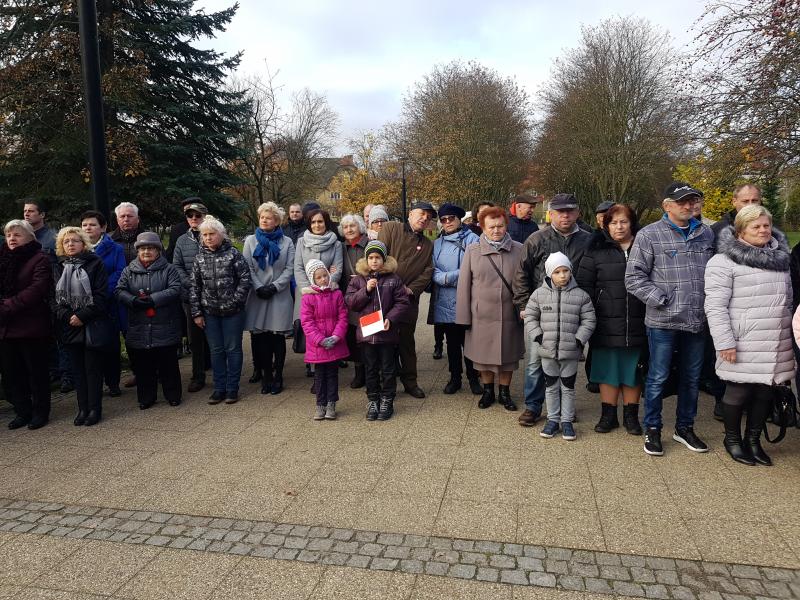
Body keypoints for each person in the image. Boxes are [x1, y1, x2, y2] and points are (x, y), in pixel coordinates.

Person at [625, 182, 715, 456]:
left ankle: (684, 428)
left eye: (692, 201)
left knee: (691, 377)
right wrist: (662, 299)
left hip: (697, 320)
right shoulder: (649, 235)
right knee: (658, 376)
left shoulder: (706, 234)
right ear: (667, 206)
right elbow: (634, 278)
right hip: (663, 321)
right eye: (682, 202)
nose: (688, 206)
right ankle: (653, 428)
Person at [705, 205, 793, 466]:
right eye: (756, 226)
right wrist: (725, 342)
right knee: (738, 392)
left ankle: (753, 441)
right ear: (741, 230)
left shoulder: (781, 259)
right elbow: (715, 306)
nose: (763, 230)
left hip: (777, 339)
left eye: (766, 225)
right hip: (743, 339)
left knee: (766, 391)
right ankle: (732, 440)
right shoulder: (723, 262)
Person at [513, 193, 592, 427]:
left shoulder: (588, 240)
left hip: (572, 311)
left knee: (567, 361)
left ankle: (563, 409)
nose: (565, 215)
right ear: (551, 214)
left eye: (570, 210)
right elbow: (521, 274)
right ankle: (533, 406)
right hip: (542, 312)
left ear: (577, 213)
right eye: (559, 211)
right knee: (536, 362)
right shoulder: (537, 239)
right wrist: (524, 305)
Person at [576, 204, 646, 435]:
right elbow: (585, 286)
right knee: (607, 370)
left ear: (631, 223)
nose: (619, 226)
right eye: (613, 222)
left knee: (633, 371)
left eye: (623, 222)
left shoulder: (645, 247)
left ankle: (631, 417)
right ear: (606, 225)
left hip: (638, 320)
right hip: (605, 320)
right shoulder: (595, 250)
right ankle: (608, 416)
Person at [456, 206, 525, 410]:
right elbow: (464, 285)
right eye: (491, 227)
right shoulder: (473, 250)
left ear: (506, 225)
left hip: (509, 314)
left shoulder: (519, 249)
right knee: (483, 356)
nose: (496, 230)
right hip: (481, 314)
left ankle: (504, 392)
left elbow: (523, 283)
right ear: (483, 228)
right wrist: (463, 317)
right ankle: (488, 391)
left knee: (509, 357)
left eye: (500, 226)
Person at [526, 252, 596, 440]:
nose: (563, 275)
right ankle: (552, 420)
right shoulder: (539, 295)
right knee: (550, 387)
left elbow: (589, 320)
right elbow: (531, 317)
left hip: (570, 352)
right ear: (549, 274)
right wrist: (538, 336)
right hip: (547, 352)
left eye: (566, 271)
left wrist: (579, 340)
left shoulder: (581, 296)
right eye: (558, 272)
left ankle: (566, 421)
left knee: (568, 387)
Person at [115, 232, 183, 409]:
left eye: (151, 248)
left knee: (168, 363)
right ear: (138, 251)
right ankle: (146, 397)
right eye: (143, 248)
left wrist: (154, 299)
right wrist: (133, 300)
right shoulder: (129, 270)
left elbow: (175, 289)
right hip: (139, 324)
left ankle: (173, 394)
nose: (146, 251)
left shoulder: (169, 269)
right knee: (144, 365)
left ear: (158, 251)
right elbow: (119, 290)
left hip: (164, 323)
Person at [346, 241, 411, 420]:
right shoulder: (358, 279)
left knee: (388, 369)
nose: (374, 261)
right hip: (367, 335)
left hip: (386, 334)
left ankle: (387, 399)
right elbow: (351, 302)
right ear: (366, 260)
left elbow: (402, 302)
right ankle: (373, 399)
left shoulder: (393, 279)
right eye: (371, 258)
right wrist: (365, 290)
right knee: (371, 369)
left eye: (378, 258)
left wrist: (391, 318)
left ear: (384, 259)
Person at [53, 226, 112, 426]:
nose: (70, 244)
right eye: (66, 241)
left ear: (83, 243)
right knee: (77, 370)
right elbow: (54, 300)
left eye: (75, 241)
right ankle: (82, 408)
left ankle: (95, 409)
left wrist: (82, 315)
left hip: (91, 323)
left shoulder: (95, 264)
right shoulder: (58, 266)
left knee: (92, 369)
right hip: (68, 324)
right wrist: (69, 315)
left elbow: (102, 296)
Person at [190, 216, 251, 405]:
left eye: (211, 234)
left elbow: (245, 279)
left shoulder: (233, 254)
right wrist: (197, 313)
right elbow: (194, 286)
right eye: (205, 235)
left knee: (232, 349)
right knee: (216, 351)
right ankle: (219, 388)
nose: (208, 238)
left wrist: (235, 301)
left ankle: (232, 388)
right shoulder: (199, 258)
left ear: (221, 235)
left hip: (233, 312)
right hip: (210, 312)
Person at [378, 202, 435, 398]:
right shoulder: (391, 228)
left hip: (408, 301)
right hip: (384, 298)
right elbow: (378, 256)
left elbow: (428, 270)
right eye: (421, 214)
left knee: (407, 344)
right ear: (410, 214)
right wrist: (389, 285)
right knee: (383, 342)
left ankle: (410, 382)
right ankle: (386, 382)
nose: (424, 219)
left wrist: (411, 289)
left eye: (428, 217)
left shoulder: (428, 244)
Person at [0, 220, 52, 430]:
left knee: (36, 372)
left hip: (31, 326)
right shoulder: (2, 258)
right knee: (12, 373)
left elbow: (37, 288)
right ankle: (22, 411)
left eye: (17, 235)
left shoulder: (40, 259)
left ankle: (40, 412)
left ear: (30, 237)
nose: (12, 239)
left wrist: (9, 306)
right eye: (9, 235)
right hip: (5, 327)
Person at [243, 202, 295, 395]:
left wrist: (275, 286)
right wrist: (258, 286)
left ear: (277, 221)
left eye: (269, 217)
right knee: (262, 338)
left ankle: (278, 376)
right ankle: (266, 375)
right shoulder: (250, 241)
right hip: (258, 296)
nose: (264, 220)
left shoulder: (287, 242)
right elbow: (246, 266)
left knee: (277, 338)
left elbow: (290, 268)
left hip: (278, 295)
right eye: (262, 217)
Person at [431, 203, 481, 394]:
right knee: (451, 343)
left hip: (467, 298)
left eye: (451, 218)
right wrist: (444, 277)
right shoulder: (437, 243)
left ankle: (473, 378)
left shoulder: (473, 239)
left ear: (459, 219)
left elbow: (474, 268)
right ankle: (455, 378)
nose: (447, 222)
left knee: (468, 341)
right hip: (444, 300)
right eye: (443, 220)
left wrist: (447, 277)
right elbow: (433, 270)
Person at [81, 210, 126, 397]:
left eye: (92, 224)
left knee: (110, 345)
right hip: (84, 305)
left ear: (103, 227)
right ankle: (93, 384)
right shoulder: (78, 248)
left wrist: (99, 294)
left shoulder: (115, 249)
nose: (88, 228)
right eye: (84, 225)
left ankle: (113, 381)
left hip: (107, 304)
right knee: (89, 346)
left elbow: (119, 273)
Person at [293, 208, 343, 377]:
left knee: (328, 328)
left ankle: (329, 364)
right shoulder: (301, 242)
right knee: (311, 329)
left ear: (326, 222)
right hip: (308, 295)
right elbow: (298, 268)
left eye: (320, 221)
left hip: (328, 295)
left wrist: (326, 283)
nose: (317, 225)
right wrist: (310, 288)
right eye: (313, 222)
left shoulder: (335, 243)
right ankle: (313, 368)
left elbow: (337, 269)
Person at [300, 260, 349, 420]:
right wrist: (320, 340)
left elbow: (343, 317)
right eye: (319, 277)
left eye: (324, 276)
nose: (323, 280)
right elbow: (307, 322)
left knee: (333, 375)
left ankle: (331, 404)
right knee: (319, 376)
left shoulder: (337, 294)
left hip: (334, 342)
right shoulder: (308, 298)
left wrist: (336, 336)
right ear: (313, 279)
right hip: (318, 346)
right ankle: (320, 404)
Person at [172, 201, 210, 392]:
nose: (194, 219)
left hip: (213, 294)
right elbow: (177, 265)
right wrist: (191, 283)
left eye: (198, 215)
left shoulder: (213, 235)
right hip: (190, 295)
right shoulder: (181, 240)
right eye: (190, 216)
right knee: (195, 338)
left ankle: (221, 372)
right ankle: (198, 375)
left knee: (214, 338)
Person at [339, 213, 369, 388]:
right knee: (354, 336)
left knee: (369, 333)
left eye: (352, 226)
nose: (349, 229)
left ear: (360, 227)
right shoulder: (340, 248)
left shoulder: (368, 244)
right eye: (345, 227)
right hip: (349, 298)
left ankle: (372, 370)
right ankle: (359, 373)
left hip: (367, 296)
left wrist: (361, 276)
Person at [165, 197, 199, 262]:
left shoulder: (211, 228)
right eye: (186, 210)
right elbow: (171, 252)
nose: (193, 217)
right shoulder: (177, 229)